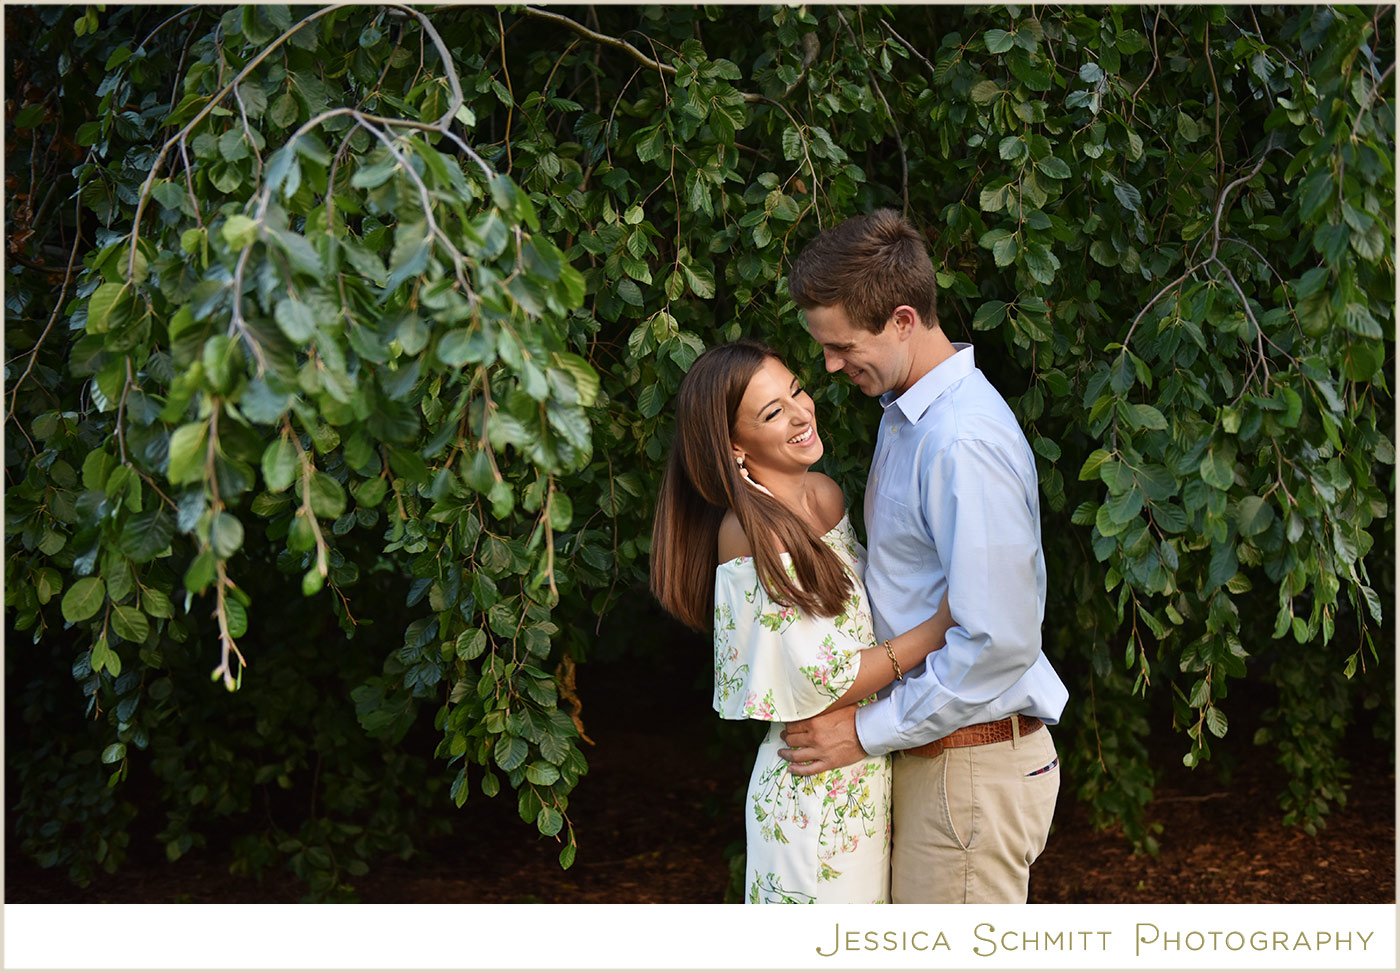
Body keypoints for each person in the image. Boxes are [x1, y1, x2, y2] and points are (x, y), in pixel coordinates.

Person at [777, 209, 1069, 904]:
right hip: (940, 759)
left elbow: (997, 641)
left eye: (843, 345)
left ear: (903, 319)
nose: (829, 365)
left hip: (968, 769)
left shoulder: (960, 441)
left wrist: (863, 730)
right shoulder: (910, 416)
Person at [650, 339, 955, 904]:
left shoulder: (825, 494)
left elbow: (866, 620)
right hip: (813, 789)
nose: (800, 413)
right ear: (735, 447)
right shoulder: (748, 531)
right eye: (772, 413)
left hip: (868, 767)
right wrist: (943, 625)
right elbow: (821, 680)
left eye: (795, 391)